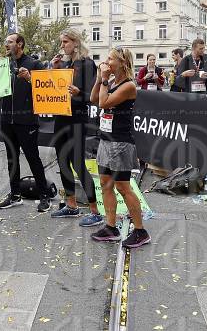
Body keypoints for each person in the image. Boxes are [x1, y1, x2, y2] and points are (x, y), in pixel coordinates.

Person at [89, 47, 150, 248]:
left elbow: (105, 103)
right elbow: (94, 99)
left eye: (110, 59)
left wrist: (105, 80)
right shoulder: (112, 81)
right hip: (106, 140)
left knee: (123, 187)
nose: (107, 62)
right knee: (106, 184)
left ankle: (141, 231)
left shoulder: (128, 85)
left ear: (122, 63)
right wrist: (100, 79)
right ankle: (110, 227)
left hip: (121, 143)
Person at [0, 33, 52, 212]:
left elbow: (47, 89)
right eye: (6, 42)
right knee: (12, 158)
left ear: (20, 44)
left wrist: (29, 78)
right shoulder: (4, 65)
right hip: (7, 119)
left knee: (32, 158)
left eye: (10, 42)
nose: (6, 45)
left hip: (26, 121)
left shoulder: (34, 64)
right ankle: (15, 195)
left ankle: (44, 196)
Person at [48, 29, 100, 225]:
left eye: (65, 42)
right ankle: (71, 205)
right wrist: (53, 70)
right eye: (61, 42)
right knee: (62, 161)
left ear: (76, 43)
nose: (62, 46)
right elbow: (53, 91)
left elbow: (92, 97)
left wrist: (79, 93)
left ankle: (95, 210)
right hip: (60, 117)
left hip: (77, 119)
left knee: (78, 164)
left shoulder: (87, 64)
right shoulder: (64, 64)